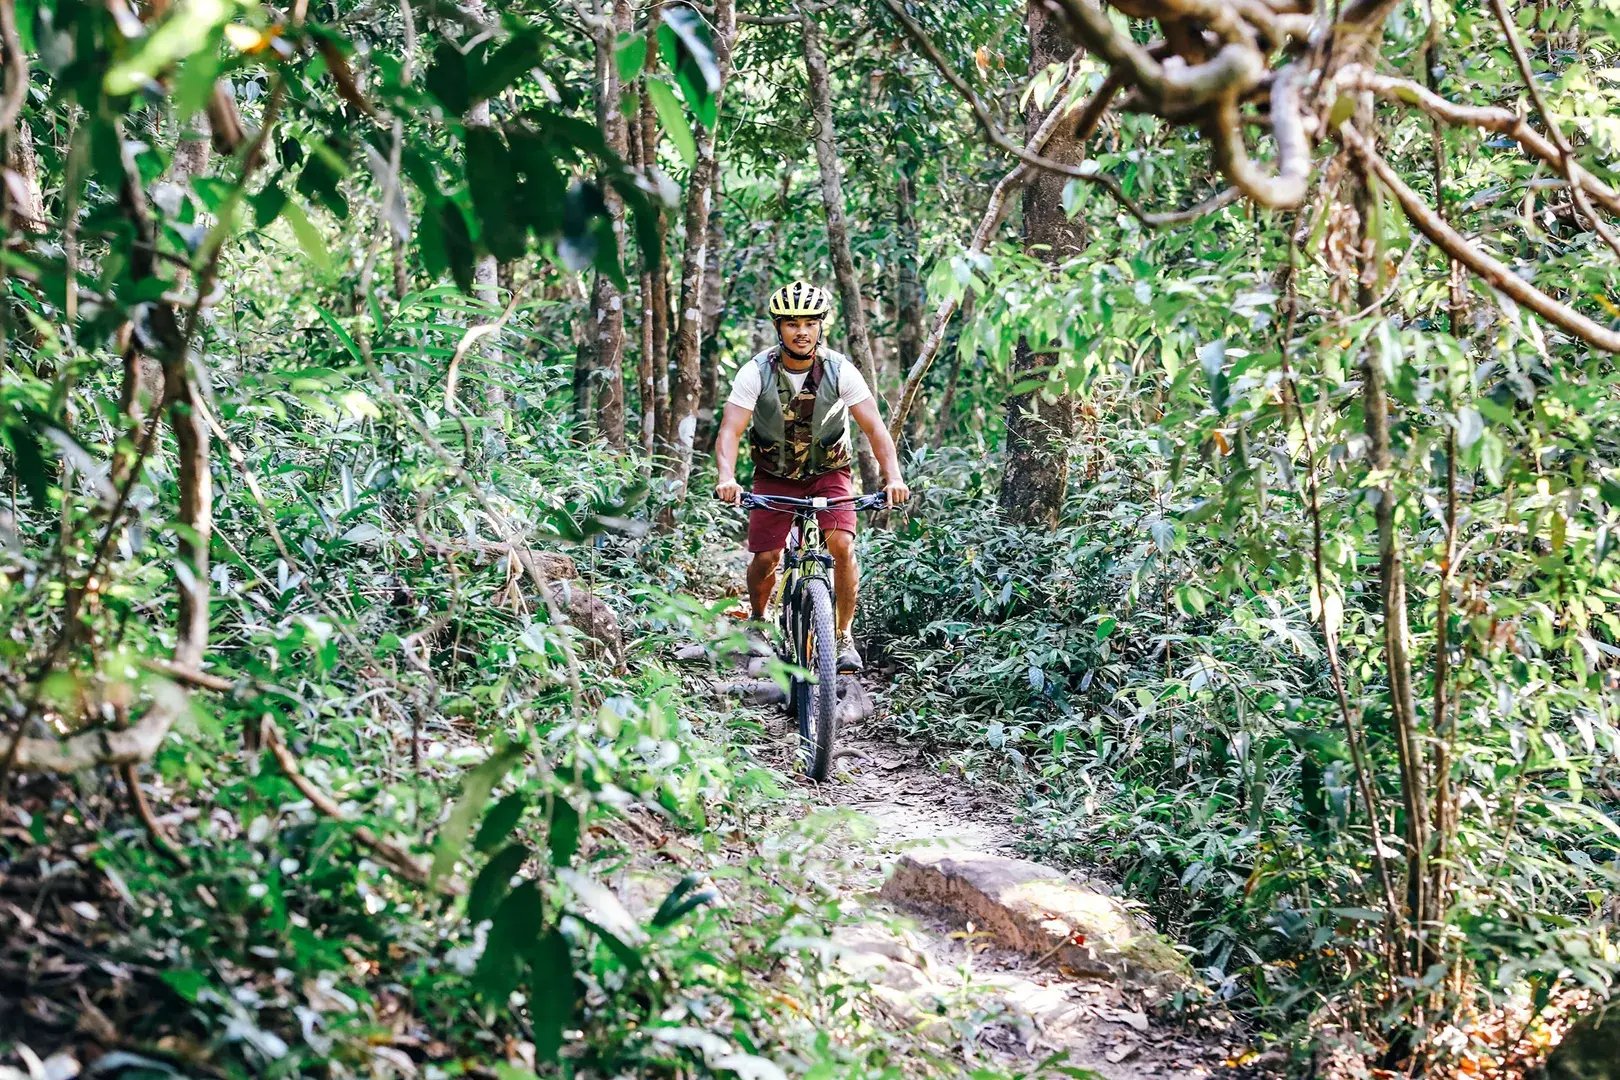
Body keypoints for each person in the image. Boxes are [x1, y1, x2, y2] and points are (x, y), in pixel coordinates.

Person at [713, 280, 910, 673]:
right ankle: (757, 621)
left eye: (809, 322)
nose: (801, 331)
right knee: (767, 555)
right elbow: (730, 431)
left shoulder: (840, 370)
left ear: (821, 325)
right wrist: (727, 476)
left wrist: (893, 477)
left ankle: (842, 636)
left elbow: (874, 429)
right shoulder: (756, 371)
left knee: (842, 547)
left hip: (829, 472)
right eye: (791, 323)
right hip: (775, 475)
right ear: (778, 328)